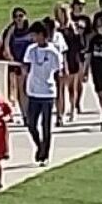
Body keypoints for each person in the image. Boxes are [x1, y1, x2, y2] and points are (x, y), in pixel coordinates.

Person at [23, 21, 63, 166]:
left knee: (46, 125)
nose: (33, 37)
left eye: (35, 34)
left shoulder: (53, 52)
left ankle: (45, 154)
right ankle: (39, 145)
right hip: (33, 91)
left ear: (42, 35)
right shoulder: (31, 50)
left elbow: (58, 71)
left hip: (47, 92)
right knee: (31, 123)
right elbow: (26, 66)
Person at [2, 7, 33, 120]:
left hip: (29, 64)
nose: (18, 19)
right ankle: (25, 114)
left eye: (21, 16)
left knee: (30, 90)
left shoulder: (30, 30)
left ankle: (31, 112)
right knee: (21, 90)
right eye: (16, 16)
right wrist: (12, 60)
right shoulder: (11, 31)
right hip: (17, 64)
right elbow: (6, 47)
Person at [55, 3, 84, 124]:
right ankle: (60, 114)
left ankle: (73, 109)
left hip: (73, 58)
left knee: (72, 87)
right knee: (59, 89)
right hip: (60, 60)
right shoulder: (56, 29)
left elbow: (79, 45)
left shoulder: (73, 28)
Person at [70, 0, 92, 114]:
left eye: (83, 5)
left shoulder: (86, 19)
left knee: (80, 79)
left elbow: (89, 35)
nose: (81, 7)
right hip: (71, 50)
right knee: (71, 80)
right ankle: (72, 102)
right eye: (78, 4)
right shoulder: (69, 18)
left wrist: (88, 48)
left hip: (82, 50)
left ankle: (78, 102)